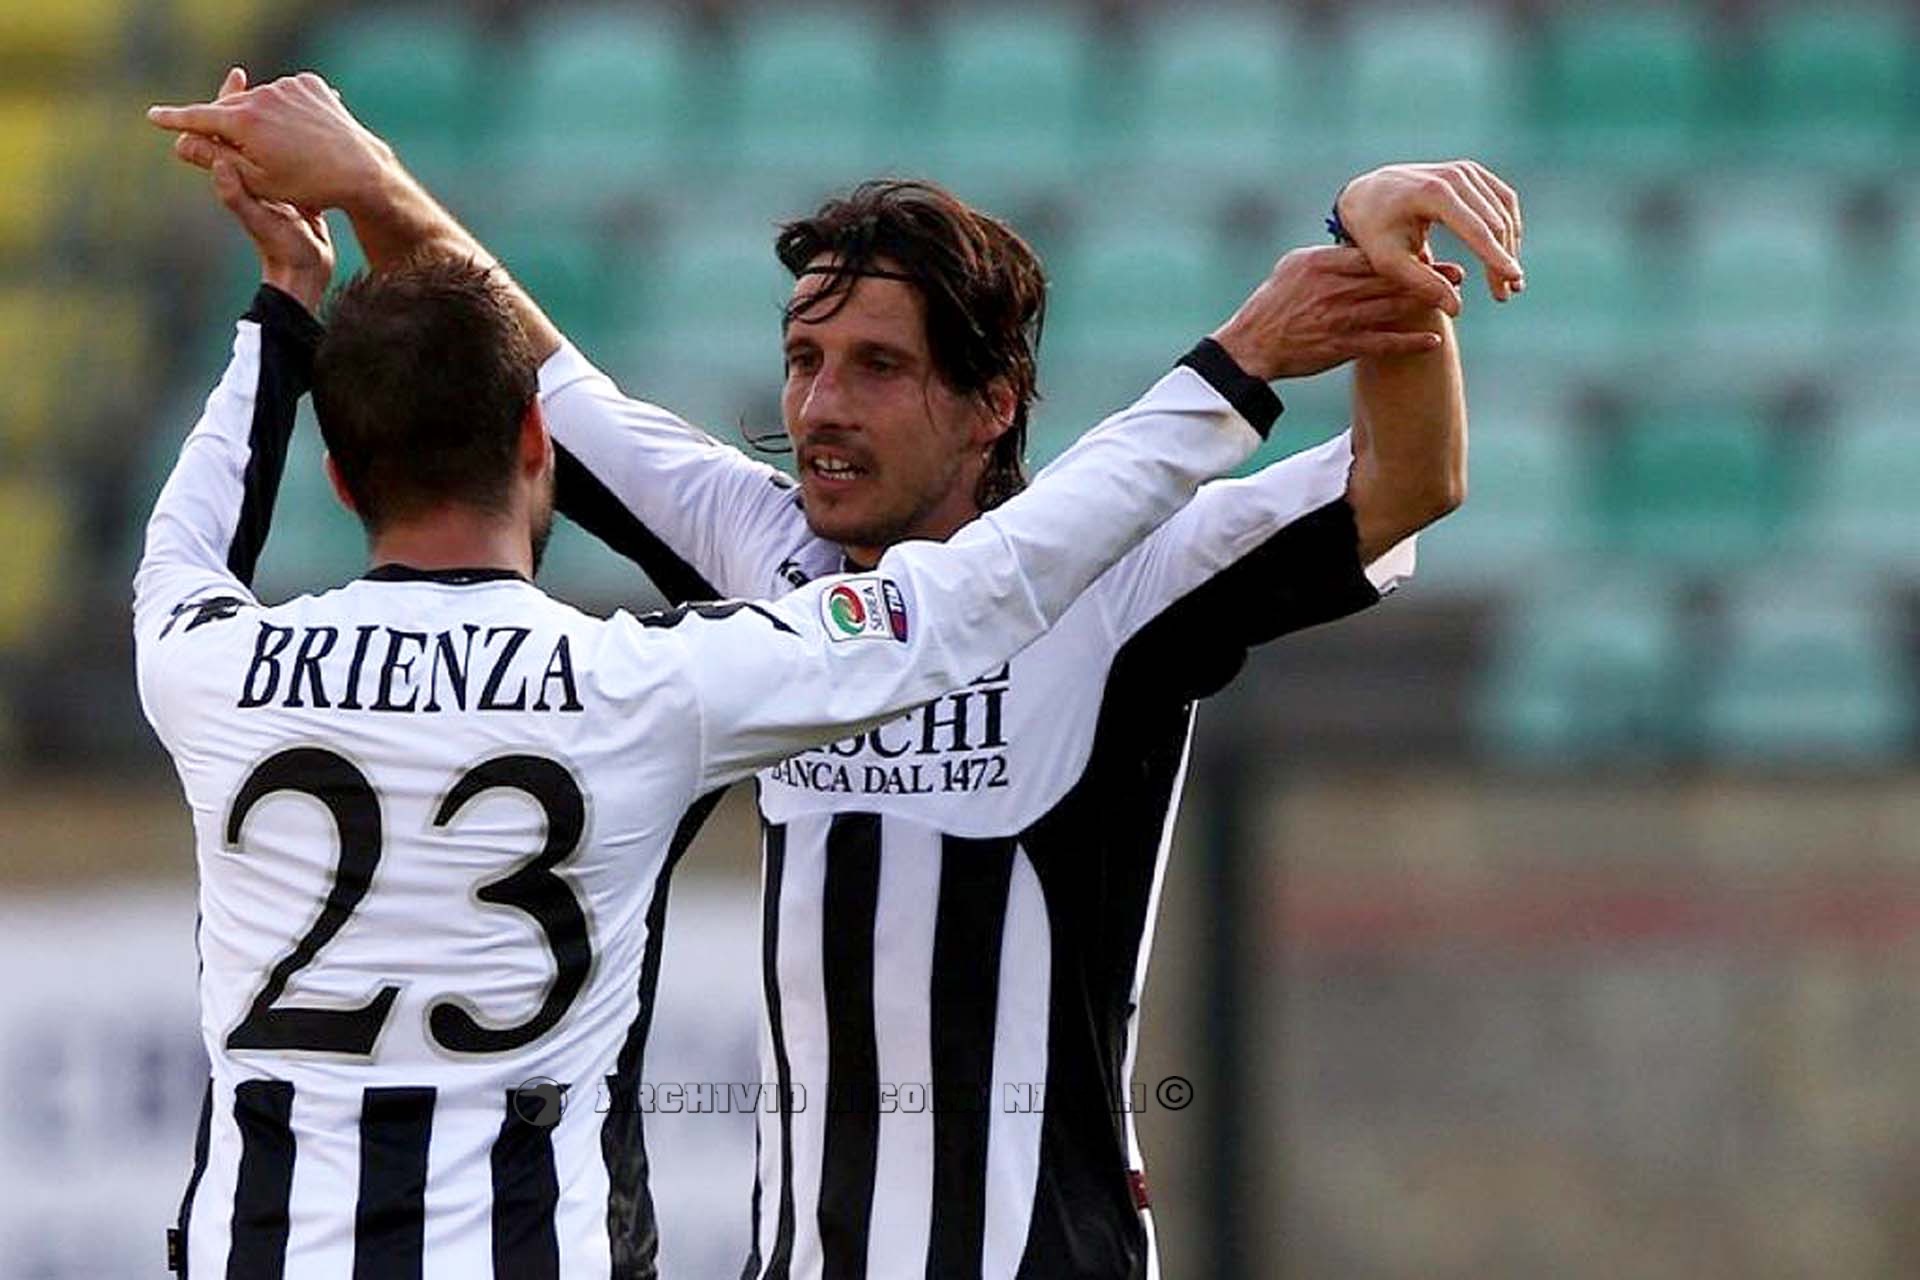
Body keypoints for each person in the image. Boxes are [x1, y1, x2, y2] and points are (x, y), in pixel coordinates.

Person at [151, 70, 1520, 1279]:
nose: (818, 407)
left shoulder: (1123, 574)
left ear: (991, 404)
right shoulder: (764, 557)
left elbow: (1408, 481)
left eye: (875, 368)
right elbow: (533, 378)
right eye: (804, 361)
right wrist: (370, 181)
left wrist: (1387, 274)